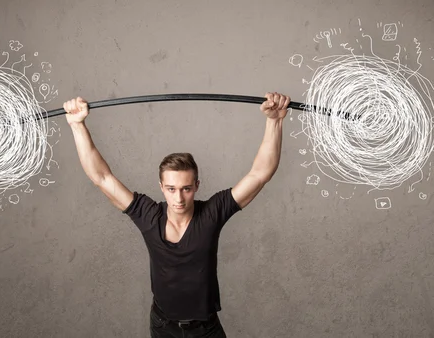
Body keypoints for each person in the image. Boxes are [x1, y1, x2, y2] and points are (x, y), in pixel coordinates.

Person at [63, 92, 290, 338]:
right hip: (163, 328)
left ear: (197, 186)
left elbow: (260, 174)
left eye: (186, 189)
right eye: (171, 189)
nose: (179, 198)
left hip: (205, 329)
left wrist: (274, 121)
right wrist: (77, 125)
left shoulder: (211, 213)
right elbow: (102, 177)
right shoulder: (148, 214)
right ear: (161, 187)